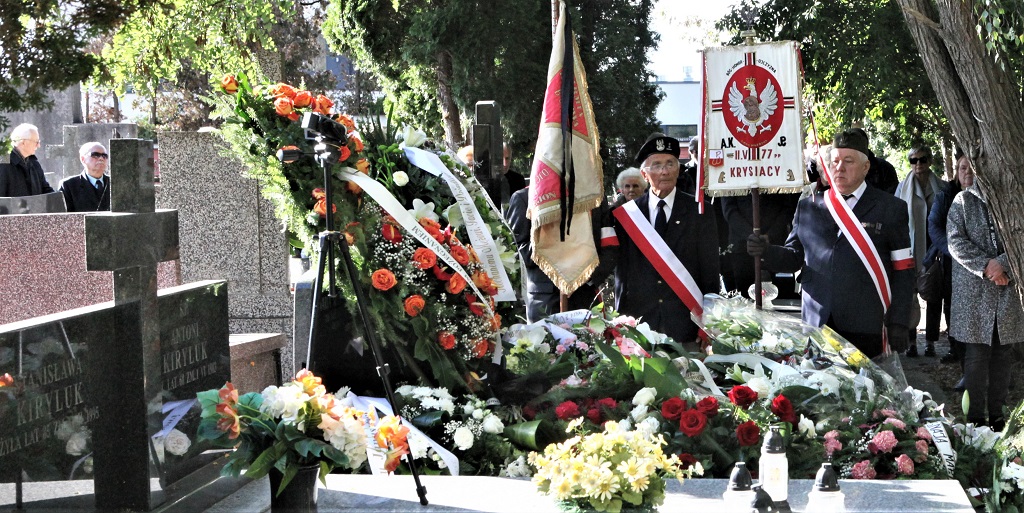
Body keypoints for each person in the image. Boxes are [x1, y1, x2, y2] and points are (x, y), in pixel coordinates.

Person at [747, 128, 915, 358]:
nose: (840, 167)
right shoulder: (809, 205)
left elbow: (904, 269)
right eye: (835, 161)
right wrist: (766, 251)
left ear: (866, 167)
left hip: (867, 324)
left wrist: (899, 321)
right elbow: (794, 256)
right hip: (818, 322)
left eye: (849, 161)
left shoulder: (890, 208)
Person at [612, 133, 720, 347]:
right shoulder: (626, 214)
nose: (665, 170)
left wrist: (708, 321)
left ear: (679, 168)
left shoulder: (700, 210)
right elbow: (621, 275)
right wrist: (620, 318)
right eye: (657, 165)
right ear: (644, 173)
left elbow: (710, 270)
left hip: (685, 322)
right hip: (640, 322)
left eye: (671, 163)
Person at [947, 175, 1023, 431]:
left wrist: (1003, 264)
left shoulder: (1014, 197)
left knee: (1003, 353)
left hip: (1006, 286)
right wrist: (986, 266)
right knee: (977, 353)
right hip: (975, 290)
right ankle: (976, 419)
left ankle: (998, 416)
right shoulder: (963, 200)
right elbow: (955, 241)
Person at [505, 188, 617, 322]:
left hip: (586, 294)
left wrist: (588, 278)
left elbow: (609, 245)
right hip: (545, 301)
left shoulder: (594, 195)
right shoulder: (524, 198)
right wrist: (552, 236)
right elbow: (518, 252)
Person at [895, 145, 943, 357]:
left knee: (934, 295)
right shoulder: (902, 188)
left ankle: (931, 342)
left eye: (922, 159)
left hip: (934, 248)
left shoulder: (941, 187)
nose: (918, 164)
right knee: (910, 296)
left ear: (929, 161)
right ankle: (912, 341)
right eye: (913, 160)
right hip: (910, 248)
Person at [927, 154, 973, 364]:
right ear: (956, 170)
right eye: (963, 168)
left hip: (979, 264)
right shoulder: (946, 195)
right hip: (950, 261)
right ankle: (957, 349)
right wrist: (952, 250)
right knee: (952, 305)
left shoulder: (986, 194)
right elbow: (934, 225)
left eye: (971, 168)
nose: (967, 173)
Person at [0, 123, 54, 197]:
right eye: (36, 142)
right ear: (23, 142)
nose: (38, 146)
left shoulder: (34, 163)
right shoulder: (3, 162)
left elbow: (46, 191)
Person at [59, 142, 111, 212]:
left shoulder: (116, 183)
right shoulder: (69, 185)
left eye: (104, 156)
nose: (101, 158)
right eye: (95, 155)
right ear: (83, 159)